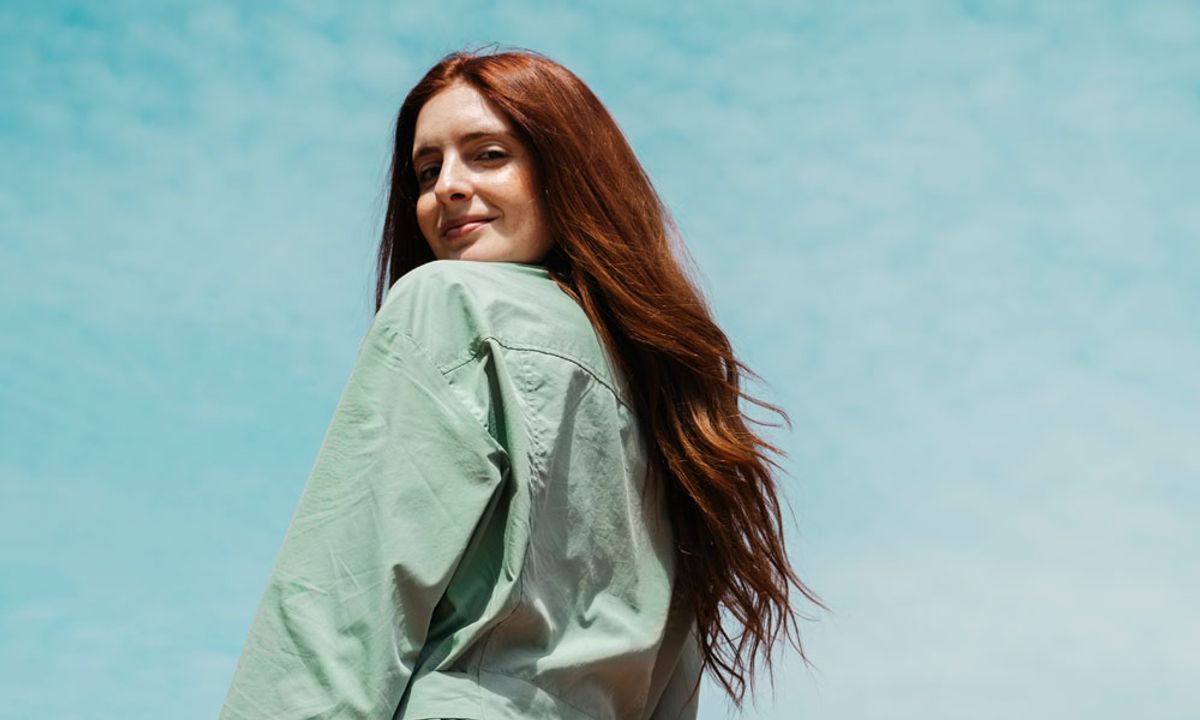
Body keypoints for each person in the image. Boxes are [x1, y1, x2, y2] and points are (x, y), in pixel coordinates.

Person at [218, 45, 822, 720]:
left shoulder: (447, 307)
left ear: (567, 171)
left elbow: (342, 604)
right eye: (426, 170)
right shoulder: (670, 410)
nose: (445, 186)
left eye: (488, 154)